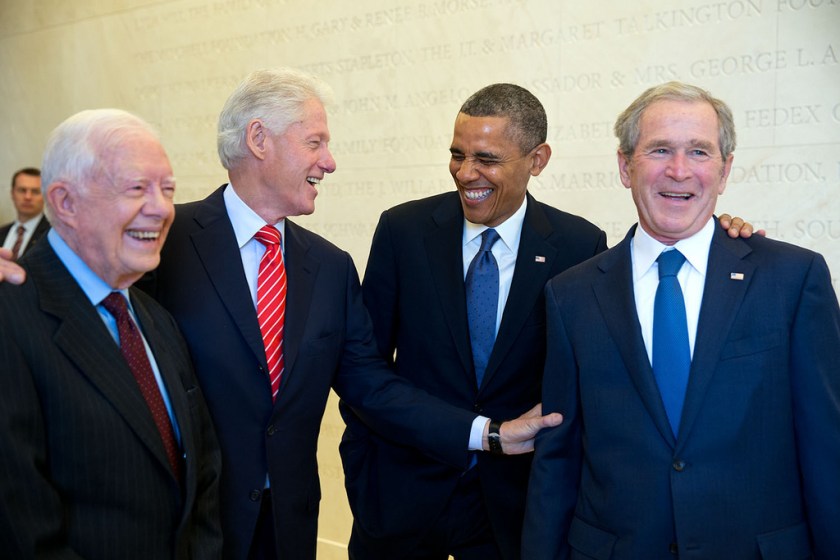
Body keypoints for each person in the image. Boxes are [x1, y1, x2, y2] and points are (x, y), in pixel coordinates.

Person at [339, 83, 758, 560]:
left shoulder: (580, 247)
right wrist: (365, 469)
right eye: (457, 154)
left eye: (488, 159)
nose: (465, 172)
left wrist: (718, 236)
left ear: (537, 160)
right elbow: (363, 371)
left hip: (513, 517)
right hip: (399, 506)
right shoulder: (403, 232)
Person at [522, 81, 840, 559]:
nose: (679, 170)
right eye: (659, 150)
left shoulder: (793, 279)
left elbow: (827, 449)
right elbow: (558, 459)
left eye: (699, 151)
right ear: (625, 166)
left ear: (725, 169)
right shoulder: (571, 295)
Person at [0, 109, 223, 559]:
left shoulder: (156, 320)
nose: (162, 208)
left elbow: (202, 475)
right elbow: (20, 526)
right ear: (65, 202)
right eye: (137, 188)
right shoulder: (10, 314)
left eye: (168, 189)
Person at [1, 167, 49, 259]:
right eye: (22, 190)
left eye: (35, 191)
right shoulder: (2, 232)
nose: (28, 197)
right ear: (12, 193)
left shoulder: (52, 235)